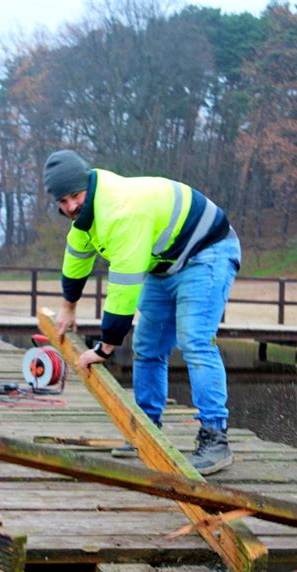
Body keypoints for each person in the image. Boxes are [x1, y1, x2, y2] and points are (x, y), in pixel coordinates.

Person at [43, 150, 241, 475]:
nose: (70, 207)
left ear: (87, 186)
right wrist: (68, 308)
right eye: (62, 201)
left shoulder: (120, 211)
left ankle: (215, 439)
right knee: (147, 346)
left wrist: (104, 347)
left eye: (74, 196)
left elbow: (124, 285)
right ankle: (146, 430)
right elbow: (76, 262)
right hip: (164, 263)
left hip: (207, 252)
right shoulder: (85, 219)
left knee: (195, 341)